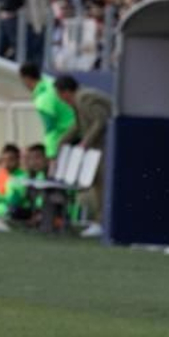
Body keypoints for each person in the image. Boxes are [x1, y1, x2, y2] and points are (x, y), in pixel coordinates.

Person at [55, 74, 113, 230]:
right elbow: (79, 125)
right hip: (99, 147)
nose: (61, 100)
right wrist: (62, 141)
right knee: (97, 182)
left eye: (59, 95)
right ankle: (101, 220)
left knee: (101, 183)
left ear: (65, 92)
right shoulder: (80, 100)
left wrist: (84, 143)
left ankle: (102, 222)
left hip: (106, 146)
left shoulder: (85, 98)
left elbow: (99, 121)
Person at [19, 61, 75, 160]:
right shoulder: (51, 83)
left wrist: (51, 154)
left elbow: (50, 129)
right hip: (77, 132)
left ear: (26, 79)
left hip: (69, 140)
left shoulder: (43, 98)